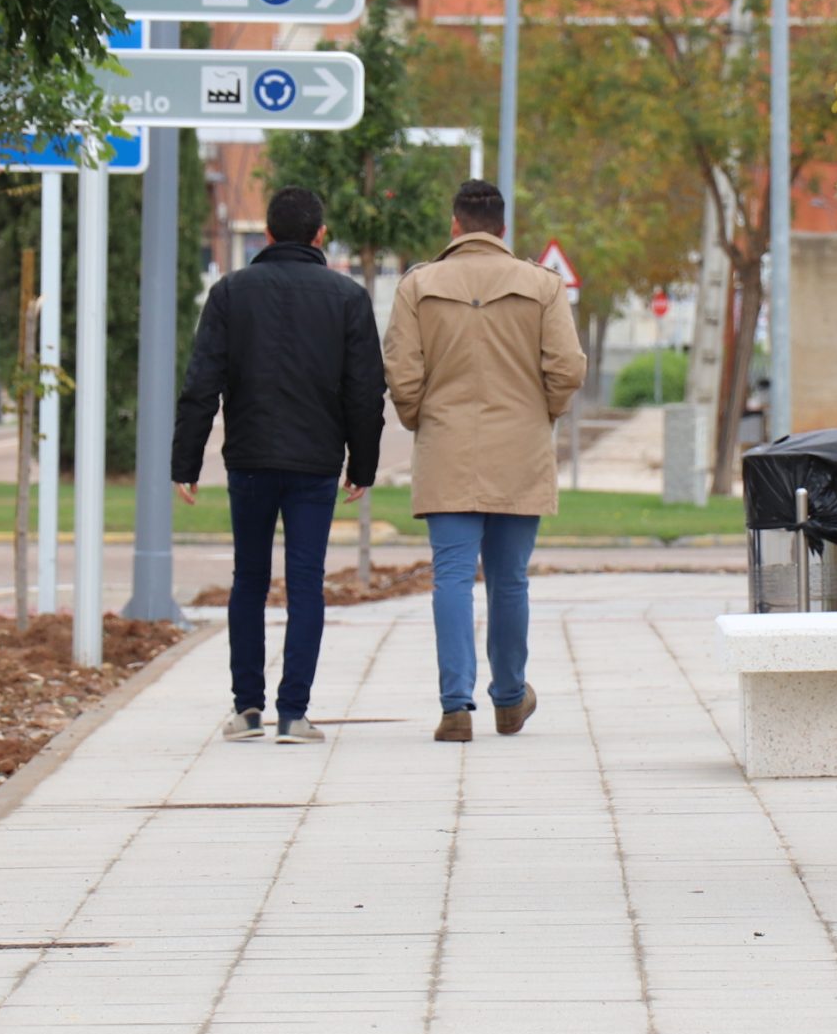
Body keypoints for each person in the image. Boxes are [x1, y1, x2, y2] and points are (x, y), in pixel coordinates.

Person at [173, 186, 384, 745]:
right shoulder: (348, 298)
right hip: (316, 462)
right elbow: (366, 391)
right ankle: (293, 713)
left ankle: (247, 709)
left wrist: (186, 461)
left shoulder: (229, 293)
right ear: (320, 235)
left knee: (248, 579)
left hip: (249, 458)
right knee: (306, 582)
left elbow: (201, 384)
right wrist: (362, 464)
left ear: (266, 234)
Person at [385, 179, 587, 742]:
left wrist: (421, 417)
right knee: (509, 580)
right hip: (520, 447)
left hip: (446, 445)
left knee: (450, 576)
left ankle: (455, 706)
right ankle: (509, 698)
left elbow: (401, 371)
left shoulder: (417, 286)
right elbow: (567, 367)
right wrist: (542, 412)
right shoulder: (542, 285)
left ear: (455, 225)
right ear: (502, 228)